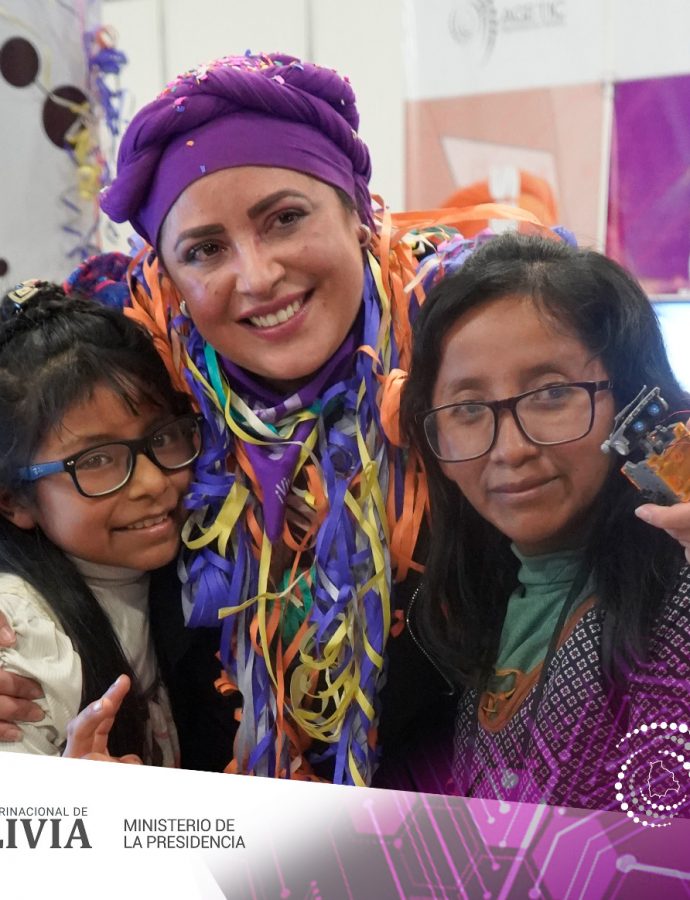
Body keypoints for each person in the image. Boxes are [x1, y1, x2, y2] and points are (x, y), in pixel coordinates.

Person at [2, 52, 690, 789]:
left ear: (358, 211)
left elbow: (658, 437)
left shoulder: (468, 339)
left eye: (286, 218)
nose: (258, 276)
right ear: (172, 279)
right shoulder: (155, 382)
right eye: (206, 250)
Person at [401, 231, 690, 812]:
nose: (509, 450)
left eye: (552, 393)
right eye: (466, 408)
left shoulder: (677, 594)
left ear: (632, 400)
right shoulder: (459, 609)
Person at [0, 279, 216, 764]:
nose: (151, 483)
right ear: (14, 501)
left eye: (162, 437)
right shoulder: (23, 641)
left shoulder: (192, 557)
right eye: (96, 460)